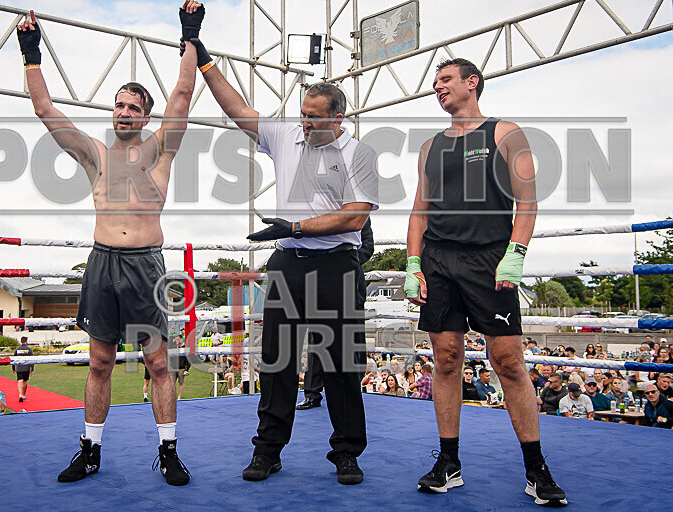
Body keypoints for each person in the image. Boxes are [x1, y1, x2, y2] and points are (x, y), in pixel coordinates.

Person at [15, 0, 199, 486]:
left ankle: (168, 452)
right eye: (118, 105)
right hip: (102, 263)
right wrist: (32, 55)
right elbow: (45, 109)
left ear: (145, 115)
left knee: (158, 362)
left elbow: (182, 95)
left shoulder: (161, 152)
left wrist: (190, 37)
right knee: (99, 361)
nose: (123, 112)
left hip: (144, 265)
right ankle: (90, 450)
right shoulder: (95, 154)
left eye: (133, 107)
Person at [195, 25, 378, 483]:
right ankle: (268, 451)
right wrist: (203, 59)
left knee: (340, 365)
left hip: (335, 263)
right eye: (303, 114)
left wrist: (295, 225)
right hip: (287, 262)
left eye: (315, 117)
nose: (306, 122)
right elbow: (236, 108)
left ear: (339, 118)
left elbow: (355, 217)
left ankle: (346, 454)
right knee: (275, 363)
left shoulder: (359, 153)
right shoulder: (284, 137)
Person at [402, 58, 566, 505]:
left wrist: (515, 254)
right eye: (434, 82)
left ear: (472, 83)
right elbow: (419, 210)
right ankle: (448, 462)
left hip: (489, 258)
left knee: (508, 360)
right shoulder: (430, 146)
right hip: (438, 259)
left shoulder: (505, 132)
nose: (438, 88)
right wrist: (413, 262)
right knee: (447, 358)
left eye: (446, 80)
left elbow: (527, 202)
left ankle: (536, 468)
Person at [298, 218, 374, 411]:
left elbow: (368, 246)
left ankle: (352, 390)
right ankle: (312, 393)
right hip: (320, 280)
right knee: (317, 337)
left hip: (350, 281)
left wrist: (344, 261)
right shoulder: (319, 214)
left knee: (354, 338)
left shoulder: (358, 213)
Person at [12, 336, 34, 402]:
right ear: (26, 341)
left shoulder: (17, 349)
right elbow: (32, 360)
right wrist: (32, 369)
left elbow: (14, 359)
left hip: (19, 367)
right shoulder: (29, 349)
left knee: (20, 380)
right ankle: (23, 394)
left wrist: (13, 368)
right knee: (25, 381)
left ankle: (20, 394)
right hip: (26, 368)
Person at [170, 336, 190, 400]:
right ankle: (172, 396)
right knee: (172, 383)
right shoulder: (173, 348)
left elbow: (189, 360)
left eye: (178, 339)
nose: (176, 341)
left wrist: (186, 370)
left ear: (181, 339)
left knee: (180, 382)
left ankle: (179, 397)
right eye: (176, 340)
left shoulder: (185, 348)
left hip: (182, 368)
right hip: (173, 368)